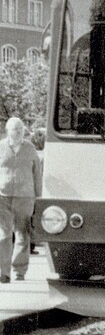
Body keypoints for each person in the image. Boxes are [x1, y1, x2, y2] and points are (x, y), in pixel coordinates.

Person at [0, 117, 42, 282]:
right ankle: (3, 272)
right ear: (7, 131)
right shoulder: (1, 147)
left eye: (20, 129)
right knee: (3, 235)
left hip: (25, 197)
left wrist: (38, 197)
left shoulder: (30, 148)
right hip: (3, 196)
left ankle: (19, 271)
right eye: (14, 129)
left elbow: (37, 173)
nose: (17, 132)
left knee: (22, 235)